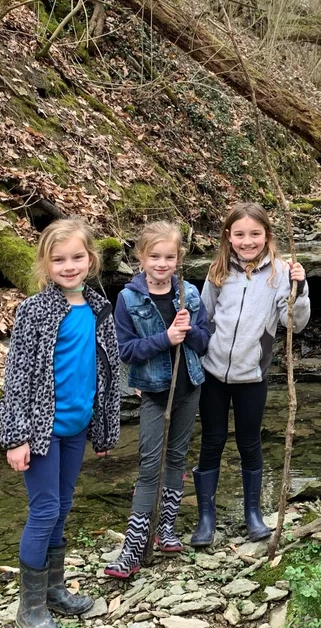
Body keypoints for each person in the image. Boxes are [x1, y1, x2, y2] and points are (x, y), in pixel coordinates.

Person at [0, 218, 121, 628]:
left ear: (91, 259)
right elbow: (17, 377)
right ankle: (29, 607)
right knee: (44, 509)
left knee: (63, 507)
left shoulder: (100, 308)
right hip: (40, 429)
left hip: (78, 426)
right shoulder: (35, 311)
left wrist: (105, 429)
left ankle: (53, 589)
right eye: (59, 260)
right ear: (45, 265)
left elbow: (104, 374)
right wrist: (16, 437)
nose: (69, 266)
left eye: (77, 257)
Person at [192, 202, 310, 547]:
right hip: (213, 373)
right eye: (240, 234)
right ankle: (205, 518)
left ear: (267, 236)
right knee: (212, 441)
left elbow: (294, 324)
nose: (247, 241)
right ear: (228, 237)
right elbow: (204, 318)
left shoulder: (281, 273)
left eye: (255, 234)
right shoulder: (218, 273)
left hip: (252, 375)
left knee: (249, 443)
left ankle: (253, 514)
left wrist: (298, 291)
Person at [104, 221, 211, 578]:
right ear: (140, 257)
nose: (162, 263)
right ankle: (133, 548)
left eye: (169, 257)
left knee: (177, 459)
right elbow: (126, 350)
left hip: (189, 388)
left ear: (179, 258)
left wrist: (190, 330)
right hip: (154, 392)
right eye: (154, 256)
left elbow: (205, 342)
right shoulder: (128, 298)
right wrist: (166, 338)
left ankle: (165, 529)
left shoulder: (190, 294)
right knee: (150, 465)